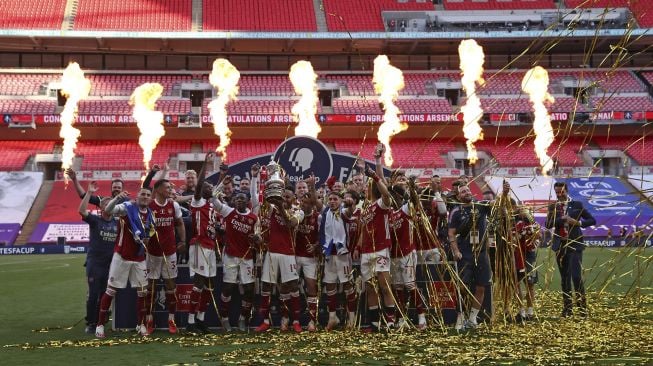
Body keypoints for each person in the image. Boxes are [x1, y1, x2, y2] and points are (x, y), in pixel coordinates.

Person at [448, 181, 510, 330]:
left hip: (481, 253)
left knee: (481, 287)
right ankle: (460, 317)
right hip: (465, 254)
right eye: (463, 191)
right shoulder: (456, 212)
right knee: (463, 288)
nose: (467, 193)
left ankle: (472, 318)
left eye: (468, 190)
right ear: (458, 196)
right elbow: (451, 234)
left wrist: (505, 193)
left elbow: (498, 205)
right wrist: (456, 251)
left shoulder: (481, 206)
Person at [95, 187, 156, 338]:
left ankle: (140, 324)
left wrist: (147, 238)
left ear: (150, 199)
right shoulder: (127, 208)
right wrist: (117, 198)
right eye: (143, 194)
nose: (145, 197)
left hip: (139, 258)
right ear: (137, 195)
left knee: (142, 292)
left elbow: (151, 233)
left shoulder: (150, 215)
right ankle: (100, 325)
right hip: (122, 256)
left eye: (148, 195)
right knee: (111, 290)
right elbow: (109, 211)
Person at [252, 167, 305, 333]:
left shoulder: (299, 211)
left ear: (293, 199)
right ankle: (266, 321)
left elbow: (291, 224)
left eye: (288, 197)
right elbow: (258, 206)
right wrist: (258, 238)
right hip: (271, 252)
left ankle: (294, 320)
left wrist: (280, 207)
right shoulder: (272, 209)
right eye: (283, 197)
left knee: (292, 286)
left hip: (288, 254)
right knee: (266, 286)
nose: (285, 199)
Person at [352, 144, 395, 332]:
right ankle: (375, 323)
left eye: (369, 185)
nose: (366, 187)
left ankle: (391, 321)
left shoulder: (382, 204)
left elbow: (386, 192)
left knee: (385, 286)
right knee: (369, 287)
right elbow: (363, 230)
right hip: (366, 251)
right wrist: (358, 246)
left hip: (381, 249)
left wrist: (376, 174)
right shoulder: (365, 207)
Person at [214, 162, 261, 332]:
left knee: (249, 290)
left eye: (243, 199)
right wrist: (221, 181)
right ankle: (225, 319)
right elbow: (213, 197)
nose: (239, 200)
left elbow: (259, 238)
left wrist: (254, 176)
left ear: (247, 202)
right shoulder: (227, 212)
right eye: (237, 198)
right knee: (228, 288)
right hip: (231, 256)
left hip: (247, 258)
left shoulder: (253, 217)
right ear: (234, 201)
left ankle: (242, 318)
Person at [546, 182, 595, 317]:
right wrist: (561, 220)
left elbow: (592, 220)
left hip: (575, 244)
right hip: (560, 245)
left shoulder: (577, 205)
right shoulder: (553, 206)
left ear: (566, 191)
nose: (559, 194)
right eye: (557, 192)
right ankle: (567, 309)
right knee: (565, 278)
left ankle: (582, 308)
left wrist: (577, 222)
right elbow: (548, 224)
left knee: (576, 276)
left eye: (562, 192)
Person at [144, 179, 186, 335]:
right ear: (159, 189)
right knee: (151, 288)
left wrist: (182, 240)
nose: (170, 189)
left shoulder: (173, 205)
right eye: (167, 187)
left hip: (170, 253)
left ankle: (171, 320)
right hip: (152, 253)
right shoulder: (150, 206)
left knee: (171, 286)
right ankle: (149, 321)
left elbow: (180, 223)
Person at [79, 181, 118, 334]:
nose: (109, 205)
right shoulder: (95, 220)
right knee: (93, 294)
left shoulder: (118, 223)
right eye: (106, 203)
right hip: (95, 264)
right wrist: (89, 193)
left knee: (105, 294)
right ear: (101, 208)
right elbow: (81, 210)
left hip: (111, 265)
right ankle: (91, 322)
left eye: (111, 203)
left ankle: (101, 321)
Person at [186, 154, 219, 334]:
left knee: (209, 284)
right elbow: (199, 185)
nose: (209, 187)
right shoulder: (197, 201)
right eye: (207, 185)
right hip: (199, 245)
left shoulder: (211, 206)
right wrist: (205, 164)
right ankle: (190, 322)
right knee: (198, 283)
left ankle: (200, 319)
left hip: (211, 247)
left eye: (210, 186)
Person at [320, 190, 358, 330]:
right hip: (329, 254)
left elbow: (350, 211)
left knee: (348, 285)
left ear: (340, 200)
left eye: (335, 199)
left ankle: (352, 318)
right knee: (329, 285)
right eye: (330, 199)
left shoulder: (344, 211)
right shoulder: (325, 213)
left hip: (343, 254)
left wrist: (350, 204)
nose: (332, 201)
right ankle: (332, 318)